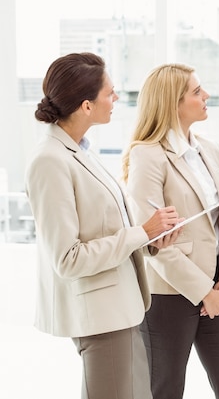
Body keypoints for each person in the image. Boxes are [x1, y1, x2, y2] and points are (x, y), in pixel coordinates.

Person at [25, 52, 181, 399]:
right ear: (85, 105)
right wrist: (141, 232)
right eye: (110, 93)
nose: (116, 99)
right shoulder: (49, 160)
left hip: (121, 309)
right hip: (101, 316)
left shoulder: (80, 150)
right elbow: (68, 258)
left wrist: (152, 239)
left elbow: (106, 230)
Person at [121, 63, 219, 399]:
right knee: (164, 390)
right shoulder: (147, 156)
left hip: (218, 292)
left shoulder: (210, 150)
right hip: (168, 296)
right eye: (196, 91)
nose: (205, 95)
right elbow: (153, 240)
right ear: (172, 102)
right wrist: (203, 292)